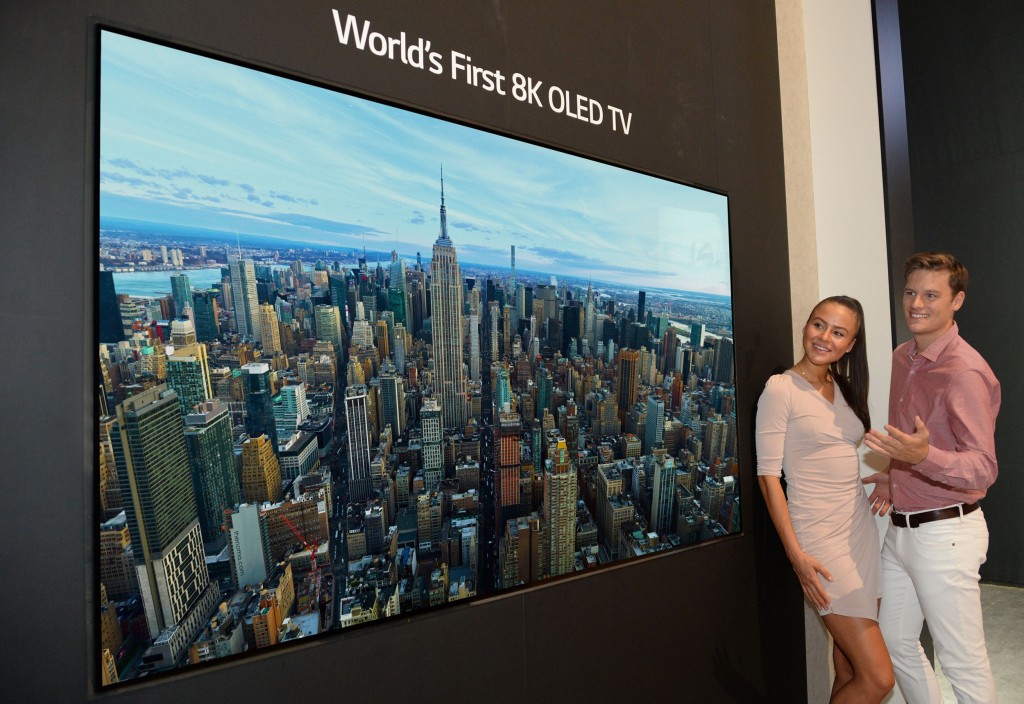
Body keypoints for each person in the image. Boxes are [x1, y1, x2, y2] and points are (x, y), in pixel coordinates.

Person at [863, 252, 1000, 703]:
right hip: (902, 530)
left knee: (963, 662)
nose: (916, 303)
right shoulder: (905, 356)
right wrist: (894, 474)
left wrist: (923, 458)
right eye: (910, 292)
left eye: (931, 295)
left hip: (947, 533)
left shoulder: (964, 372)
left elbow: (983, 466)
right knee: (897, 643)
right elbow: (908, 442)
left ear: (956, 300)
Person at [756, 296, 894, 703]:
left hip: (859, 531)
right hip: (819, 537)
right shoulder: (781, 389)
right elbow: (768, 477)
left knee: (851, 667)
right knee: (879, 678)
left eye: (838, 332)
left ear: (850, 344)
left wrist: (890, 479)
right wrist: (796, 555)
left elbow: (844, 451)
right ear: (807, 327)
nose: (824, 337)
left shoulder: (844, 386)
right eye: (819, 325)